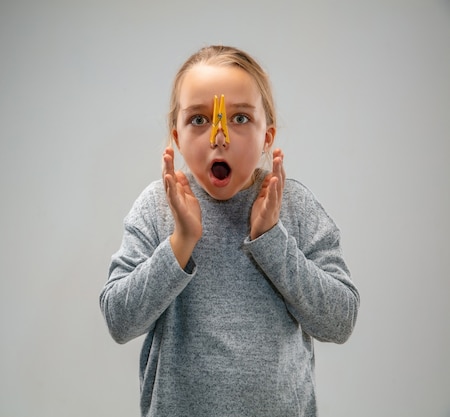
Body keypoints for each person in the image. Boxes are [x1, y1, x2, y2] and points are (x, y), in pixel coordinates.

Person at [99, 45, 360, 417]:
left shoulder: (293, 205)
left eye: (239, 119)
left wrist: (272, 240)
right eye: (198, 120)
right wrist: (180, 243)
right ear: (176, 135)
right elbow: (119, 321)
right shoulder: (158, 206)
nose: (219, 138)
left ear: (267, 137)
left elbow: (340, 320)